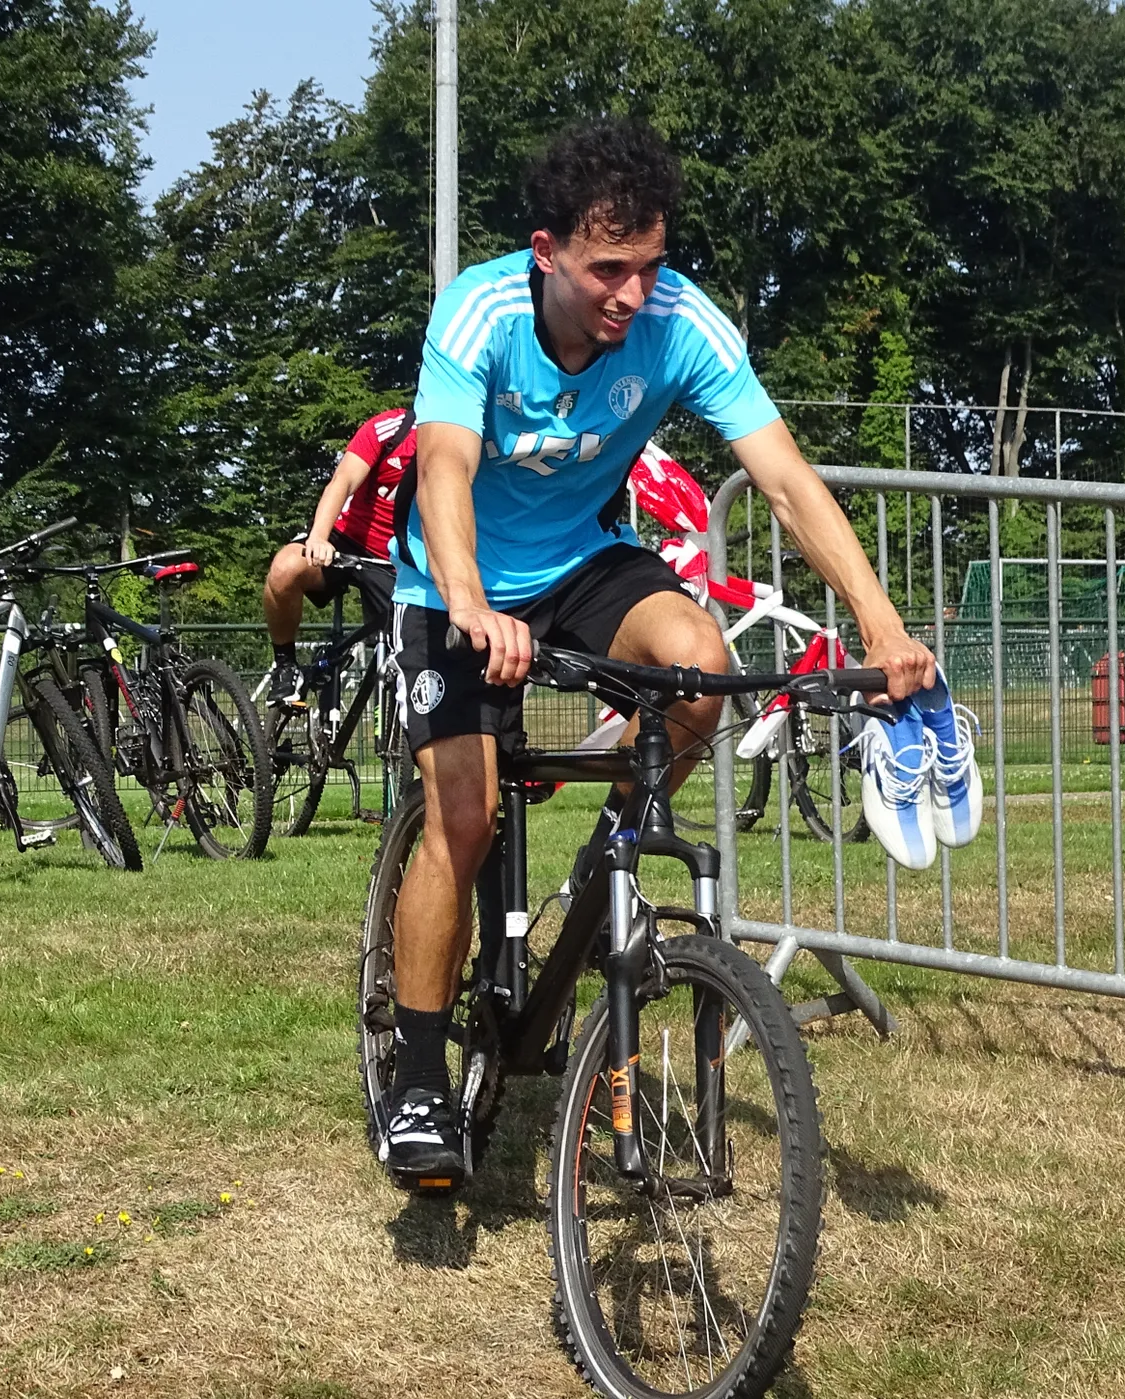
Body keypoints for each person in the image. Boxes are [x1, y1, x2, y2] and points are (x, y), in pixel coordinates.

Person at [381, 117, 935, 1177]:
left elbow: (782, 475)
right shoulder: (483, 311)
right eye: (606, 270)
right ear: (547, 253)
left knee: (702, 663)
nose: (631, 295)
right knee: (465, 812)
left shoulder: (682, 322)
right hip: (452, 578)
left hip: (585, 562)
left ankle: (608, 860)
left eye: (649, 265)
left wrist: (879, 619)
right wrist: (467, 603)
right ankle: (415, 1080)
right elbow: (444, 467)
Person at [262, 409, 415, 704]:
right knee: (285, 569)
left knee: (412, 647)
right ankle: (285, 665)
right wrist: (318, 536)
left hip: (401, 558)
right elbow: (342, 480)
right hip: (347, 539)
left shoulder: (465, 438)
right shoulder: (391, 429)